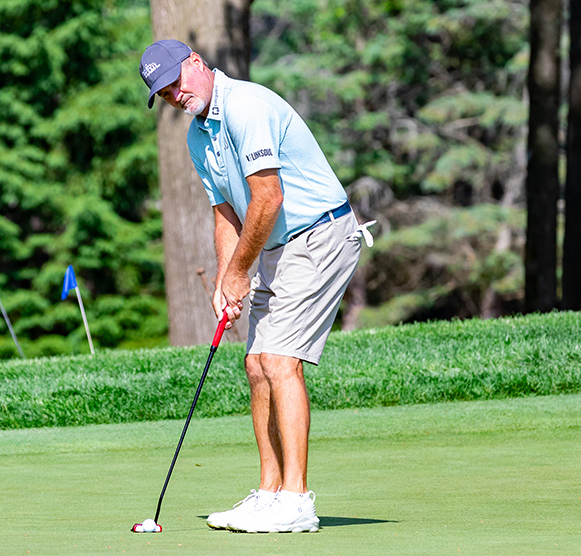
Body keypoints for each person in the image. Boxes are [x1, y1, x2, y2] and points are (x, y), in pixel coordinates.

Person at [139, 39, 366, 533]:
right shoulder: (198, 137)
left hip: (320, 233)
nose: (175, 94)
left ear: (196, 63)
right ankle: (268, 493)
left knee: (280, 361)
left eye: (176, 81)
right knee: (256, 364)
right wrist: (225, 277)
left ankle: (297, 500)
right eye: (164, 92)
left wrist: (242, 270)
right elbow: (226, 210)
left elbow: (267, 198)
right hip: (274, 244)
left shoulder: (247, 106)